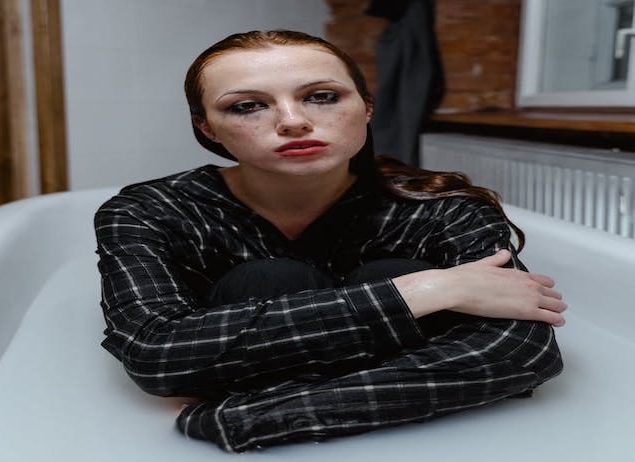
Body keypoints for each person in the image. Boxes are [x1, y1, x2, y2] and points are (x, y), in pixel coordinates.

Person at [94, 29, 566, 452]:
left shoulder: (442, 205)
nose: (293, 121)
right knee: (270, 278)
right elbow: (155, 354)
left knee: (386, 269)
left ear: (366, 106)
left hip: (420, 442)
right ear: (206, 127)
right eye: (247, 105)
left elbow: (522, 350)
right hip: (409, 409)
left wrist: (248, 418)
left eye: (322, 96)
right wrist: (426, 291)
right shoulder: (149, 209)